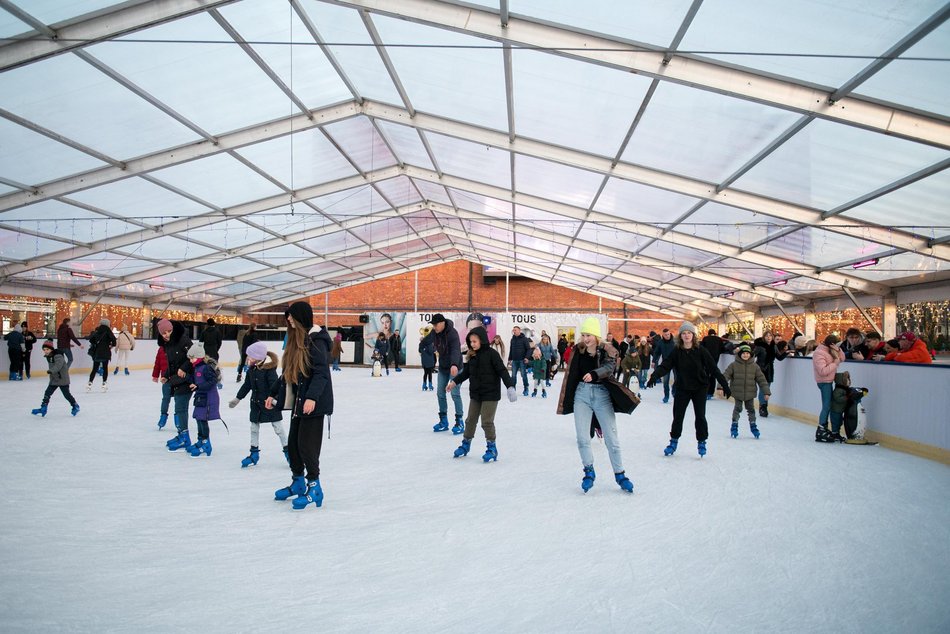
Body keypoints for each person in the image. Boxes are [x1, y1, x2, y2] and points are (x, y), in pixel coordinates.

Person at [266, 301, 333, 510]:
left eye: (291, 316)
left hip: (314, 404)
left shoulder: (316, 341)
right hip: (299, 403)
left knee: (307, 447)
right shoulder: (298, 341)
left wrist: (312, 398)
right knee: (294, 445)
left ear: (301, 317)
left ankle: (315, 488)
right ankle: (297, 482)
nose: (288, 319)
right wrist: (272, 393)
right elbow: (288, 373)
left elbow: (321, 373)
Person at [556, 317, 633, 493]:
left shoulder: (607, 350)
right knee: (583, 438)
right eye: (583, 335)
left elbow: (609, 367)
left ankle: (620, 474)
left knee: (612, 439)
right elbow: (571, 373)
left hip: (602, 395)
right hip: (581, 395)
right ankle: (588, 471)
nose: (585, 338)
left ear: (596, 335)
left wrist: (594, 373)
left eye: (589, 335)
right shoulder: (578, 350)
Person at [648, 322, 731, 457]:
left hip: (699, 388)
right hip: (682, 388)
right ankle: (673, 441)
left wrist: (724, 385)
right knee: (678, 416)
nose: (686, 335)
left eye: (689, 333)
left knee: (700, 416)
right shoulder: (677, 351)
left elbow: (713, 369)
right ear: (680, 336)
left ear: (693, 335)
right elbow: (665, 365)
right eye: (684, 333)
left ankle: (702, 441)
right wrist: (654, 376)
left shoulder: (701, 351)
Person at [446, 326, 516, 462]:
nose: (472, 344)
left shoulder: (492, 354)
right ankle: (465, 445)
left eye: (474, 342)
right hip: (476, 394)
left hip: (490, 395)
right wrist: (454, 382)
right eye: (470, 342)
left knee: (486, 422)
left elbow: (502, 371)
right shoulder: (472, 355)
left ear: (482, 340)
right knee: (470, 420)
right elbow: (466, 373)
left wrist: (510, 386)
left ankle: (492, 448)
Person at [231, 340, 288, 467]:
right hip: (256, 404)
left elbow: (276, 387)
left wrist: (274, 400)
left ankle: (289, 453)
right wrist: (238, 398)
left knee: (278, 429)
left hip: (269, 404)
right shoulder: (251, 369)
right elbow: (247, 385)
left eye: (250, 356)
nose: (248, 359)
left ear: (257, 357)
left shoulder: (269, 370)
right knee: (254, 428)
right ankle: (254, 454)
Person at [420, 313, 464, 434]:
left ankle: (459, 421)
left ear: (442, 323)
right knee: (440, 393)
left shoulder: (452, 333)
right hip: (444, 367)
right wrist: (421, 346)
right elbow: (427, 340)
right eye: (433, 325)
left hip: (455, 367)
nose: (434, 327)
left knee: (455, 394)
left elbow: (455, 349)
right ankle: (443, 421)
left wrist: (454, 364)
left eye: (435, 324)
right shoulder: (435, 332)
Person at [157, 318, 195, 452]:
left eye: (169, 331)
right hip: (176, 379)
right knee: (179, 407)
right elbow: (172, 364)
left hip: (188, 378)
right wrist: (166, 375)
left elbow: (195, 356)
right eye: (164, 333)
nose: (167, 334)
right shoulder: (167, 345)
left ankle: (185, 438)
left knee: (180, 407)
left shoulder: (183, 340)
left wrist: (184, 368)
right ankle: (182, 435)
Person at [723, 344, 769, 439]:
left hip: (750, 392)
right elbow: (725, 376)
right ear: (739, 354)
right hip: (737, 392)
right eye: (743, 353)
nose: (745, 355)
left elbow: (762, 380)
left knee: (751, 409)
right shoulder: (733, 365)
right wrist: (720, 387)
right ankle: (734, 425)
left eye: (747, 353)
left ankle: (753, 425)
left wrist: (766, 392)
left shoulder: (755, 366)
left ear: (751, 355)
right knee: (738, 408)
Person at [186, 342, 221, 457]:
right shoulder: (197, 368)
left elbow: (213, 381)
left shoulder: (206, 368)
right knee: (198, 418)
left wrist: (199, 386)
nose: (191, 360)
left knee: (202, 420)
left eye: (193, 358)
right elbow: (196, 380)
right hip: (201, 398)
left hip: (208, 399)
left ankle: (206, 444)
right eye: (190, 358)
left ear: (200, 357)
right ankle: (200, 440)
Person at [31, 340, 80, 417]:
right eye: (44, 350)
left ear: (51, 349)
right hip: (54, 378)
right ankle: (43, 408)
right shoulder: (49, 356)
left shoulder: (58, 356)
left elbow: (58, 365)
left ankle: (75, 405)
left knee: (66, 395)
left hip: (62, 378)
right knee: (47, 393)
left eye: (47, 349)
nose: (45, 351)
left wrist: (51, 371)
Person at [812, 334, 844, 442]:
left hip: (830, 381)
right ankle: (821, 428)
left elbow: (842, 358)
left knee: (829, 405)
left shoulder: (832, 350)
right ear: (831, 344)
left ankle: (828, 429)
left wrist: (838, 350)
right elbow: (822, 371)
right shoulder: (819, 353)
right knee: (827, 405)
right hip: (824, 382)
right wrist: (835, 363)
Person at [752, 331, 786, 418]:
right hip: (760, 369)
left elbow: (779, 357)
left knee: (767, 389)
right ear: (764, 337)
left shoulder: (774, 346)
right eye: (767, 336)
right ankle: (762, 407)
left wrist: (787, 352)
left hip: (770, 370)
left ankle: (764, 406)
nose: (769, 337)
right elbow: (752, 355)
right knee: (763, 389)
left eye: (770, 336)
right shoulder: (760, 347)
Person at [86, 319, 117, 392]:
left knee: (94, 368)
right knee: (105, 368)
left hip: (97, 353)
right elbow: (114, 342)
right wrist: (110, 345)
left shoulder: (97, 331)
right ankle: (104, 384)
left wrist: (96, 344)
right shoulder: (109, 331)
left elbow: (91, 340)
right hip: (105, 352)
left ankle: (90, 383)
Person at [650, 328, 676, 403]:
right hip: (666, 364)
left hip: (675, 363)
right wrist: (654, 361)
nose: (667, 336)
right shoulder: (661, 343)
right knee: (665, 381)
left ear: (670, 333)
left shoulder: (675, 342)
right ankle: (666, 396)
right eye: (665, 335)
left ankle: (674, 389)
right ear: (663, 335)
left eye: (668, 334)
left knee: (677, 379)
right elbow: (657, 352)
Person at [701, 329, 726, 400]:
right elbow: (723, 349)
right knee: (713, 376)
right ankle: (710, 393)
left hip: (706, 360)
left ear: (708, 333)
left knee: (705, 376)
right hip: (715, 361)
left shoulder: (705, 339)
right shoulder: (719, 339)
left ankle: (705, 392)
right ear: (715, 333)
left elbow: (701, 348)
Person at [151, 341, 171, 430]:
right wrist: (155, 375)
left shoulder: (177, 347)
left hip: (177, 378)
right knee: (166, 398)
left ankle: (178, 419)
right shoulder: (161, 349)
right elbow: (157, 363)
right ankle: (163, 416)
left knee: (178, 400)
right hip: (165, 378)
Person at [508, 326, 530, 396]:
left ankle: (526, 388)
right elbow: (511, 349)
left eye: (516, 330)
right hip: (514, 360)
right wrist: (509, 359)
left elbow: (529, 349)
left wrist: (526, 357)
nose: (514, 331)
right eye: (513, 330)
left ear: (519, 331)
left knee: (523, 375)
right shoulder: (512, 339)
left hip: (522, 360)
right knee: (513, 376)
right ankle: (513, 389)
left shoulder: (524, 339)